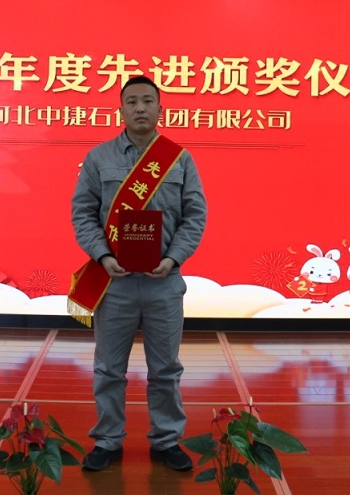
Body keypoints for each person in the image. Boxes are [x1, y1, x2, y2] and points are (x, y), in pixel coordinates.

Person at [70, 75, 207, 472]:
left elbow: (195, 216)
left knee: (166, 369)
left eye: (148, 100)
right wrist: (102, 255)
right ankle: (107, 440)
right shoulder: (99, 158)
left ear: (161, 109)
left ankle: (166, 440)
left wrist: (174, 258)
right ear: (121, 110)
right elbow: (82, 214)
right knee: (108, 369)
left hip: (164, 283)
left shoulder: (179, 159)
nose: (140, 108)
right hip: (114, 284)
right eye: (132, 101)